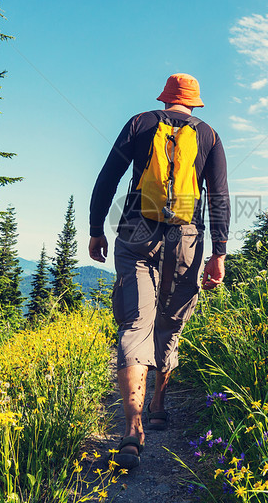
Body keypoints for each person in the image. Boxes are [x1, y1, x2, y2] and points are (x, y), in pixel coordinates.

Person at [88, 73, 230, 470]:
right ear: (195, 103)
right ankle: (159, 405)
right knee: (170, 323)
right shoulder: (210, 136)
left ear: (165, 98)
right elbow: (219, 195)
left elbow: (107, 178)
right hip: (186, 238)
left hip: (135, 229)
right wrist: (218, 252)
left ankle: (132, 431)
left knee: (136, 324)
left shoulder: (139, 123)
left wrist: (96, 228)